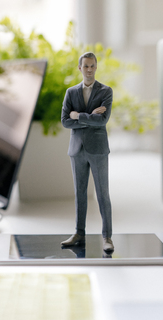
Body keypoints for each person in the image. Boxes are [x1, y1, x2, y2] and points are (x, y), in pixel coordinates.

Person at [60, 52, 114, 252]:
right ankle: (78, 232)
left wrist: (78, 116)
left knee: (102, 194)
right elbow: (65, 121)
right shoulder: (71, 92)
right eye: (86, 66)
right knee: (79, 194)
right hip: (77, 150)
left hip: (98, 150)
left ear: (96, 67)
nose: (89, 69)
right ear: (80, 68)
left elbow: (102, 120)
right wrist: (89, 116)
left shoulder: (106, 91)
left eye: (92, 66)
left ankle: (107, 236)